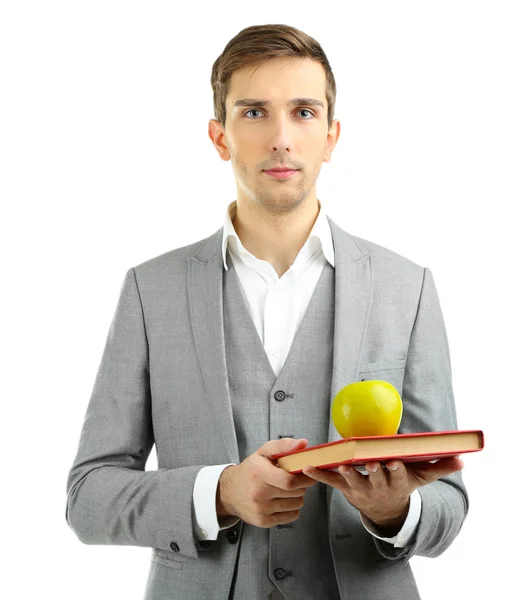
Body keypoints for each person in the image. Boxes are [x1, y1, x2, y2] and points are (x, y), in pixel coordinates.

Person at [65, 23, 468, 600]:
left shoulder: (409, 288)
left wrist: (395, 510)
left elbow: (451, 503)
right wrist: (221, 493)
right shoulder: (149, 290)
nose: (281, 137)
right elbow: (88, 497)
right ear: (220, 136)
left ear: (331, 136)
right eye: (254, 112)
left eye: (303, 112)